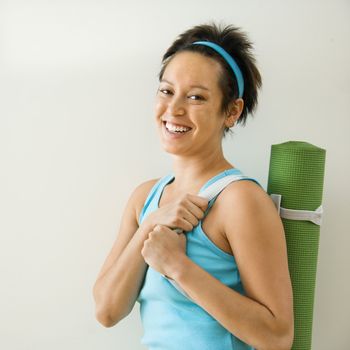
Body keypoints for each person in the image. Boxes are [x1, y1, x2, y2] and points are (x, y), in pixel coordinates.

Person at [93, 22, 294, 350]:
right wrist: (151, 224)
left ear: (231, 111)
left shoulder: (240, 200)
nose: (174, 109)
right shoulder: (145, 198)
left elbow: (277, 337)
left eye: (196, 97)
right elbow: (107, 310)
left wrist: (176, 266)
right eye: (166, 90)